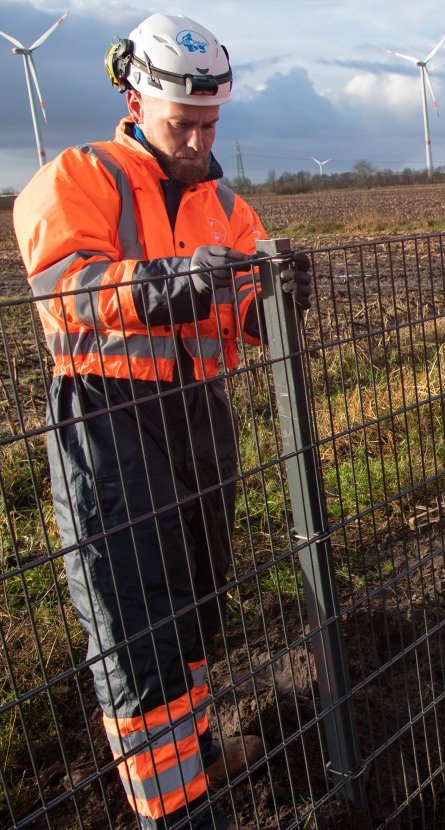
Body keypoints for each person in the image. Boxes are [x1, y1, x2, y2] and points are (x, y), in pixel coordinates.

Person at [13, 14, 312, 828]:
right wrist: (165, 283)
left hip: (198, 416)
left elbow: (244, 299)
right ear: (133, 96)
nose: (196, 140)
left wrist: (274, 296)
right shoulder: (80, 177)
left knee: (194, 596)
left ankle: (199, 751)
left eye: (210, 124)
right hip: (111, 420)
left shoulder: (226, 203)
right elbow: (62, 288)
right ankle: (175, 812)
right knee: (134, 622)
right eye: (183, 123)